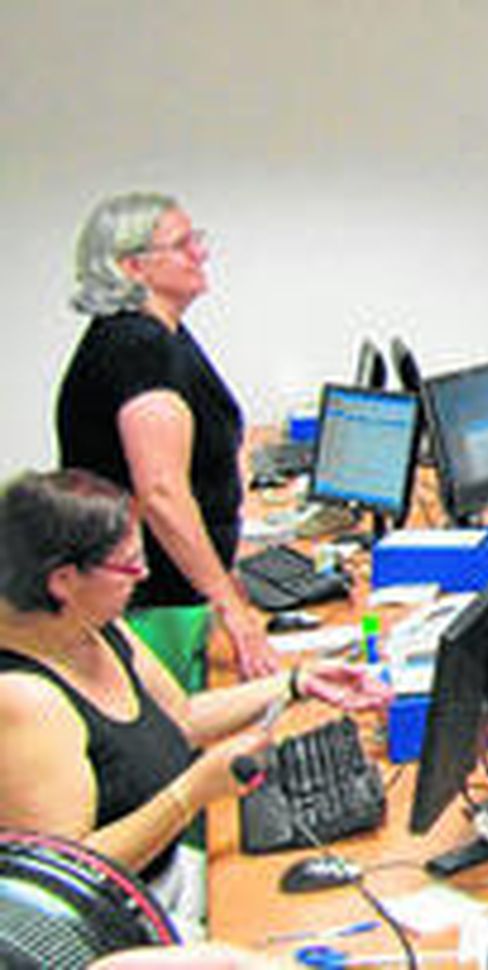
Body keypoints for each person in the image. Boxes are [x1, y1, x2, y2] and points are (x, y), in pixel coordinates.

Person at [0, 470, 393, 937]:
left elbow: (182, 719)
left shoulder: (90, 622)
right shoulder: (23, 700)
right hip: (121, 928)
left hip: (170, 877)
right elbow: (66, 879)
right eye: (128, 565)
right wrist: (192, 793)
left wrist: (296, 682)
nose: (143, 575)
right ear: (64, 580)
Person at [56, 192, 274, 683]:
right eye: (183, 244)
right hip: (153, 600)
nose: (200, 253)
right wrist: (231, 608)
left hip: (169, 589)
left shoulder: (158, 333)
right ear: (133, 267)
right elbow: (161, 493)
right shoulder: (137, 349)